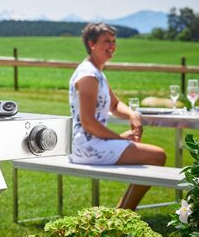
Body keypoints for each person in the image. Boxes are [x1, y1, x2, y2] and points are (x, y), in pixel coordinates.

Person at [68, 22, 166, 211]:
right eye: (106, 41)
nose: (112, 46)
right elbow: (88, 122)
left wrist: (132, 113)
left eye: (114, 41)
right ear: (91, 44)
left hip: (96, 141)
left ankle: (120, 216)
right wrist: (119, 138)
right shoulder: (88, 75)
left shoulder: (97, 72)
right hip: (87, 146)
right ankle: (122, 217)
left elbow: (114, 104)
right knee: (157, 156)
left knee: (154, 157)